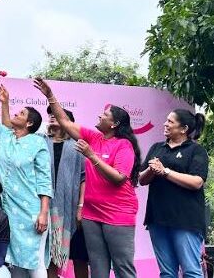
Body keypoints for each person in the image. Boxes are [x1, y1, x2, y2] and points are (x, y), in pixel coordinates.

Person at [34, 78, 140, 278]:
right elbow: (65, 121)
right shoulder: (93, 137)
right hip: (92, 215)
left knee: (122, 267)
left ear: (114, 124)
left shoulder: (123, 145)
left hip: (117, 215)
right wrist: (50, 95)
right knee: (98, 268)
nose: (100, 115)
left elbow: (119, 178)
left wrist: (92, 156)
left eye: (105, 114)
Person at [0, 69, 53, 278]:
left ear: (29, 123)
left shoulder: (38, 143)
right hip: (5, 211)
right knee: (12, 264)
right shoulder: (4, 135)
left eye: (20, 114)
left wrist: (43, 213)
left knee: (34, 264)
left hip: (31, 213)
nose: (15, 115)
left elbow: (45, 181)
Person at [139, 110, 208, 278]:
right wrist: (151, 169)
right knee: (167, 273)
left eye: (170, 122)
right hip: (158, 218)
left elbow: (197, 182)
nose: (165, 124)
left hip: (186, 220)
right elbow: (142, 179)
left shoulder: (196, 150)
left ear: (183, 128)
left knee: (191, 271)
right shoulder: (157, 148)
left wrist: (165, 171)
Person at [43, 107, 87, 278]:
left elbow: (84, 177)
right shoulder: (40, 141)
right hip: (45, 207)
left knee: (79, 255)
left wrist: (80, 206)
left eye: (58, 114)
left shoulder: (78, 145)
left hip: (71, 207)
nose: (52, 116)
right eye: (50, 114)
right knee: (49, 253)